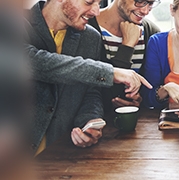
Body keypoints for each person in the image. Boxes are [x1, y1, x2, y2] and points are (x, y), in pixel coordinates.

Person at [25, 0, 152, 155]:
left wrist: (90, 121)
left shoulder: (90, 37)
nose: (96, 12)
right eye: (89, 2)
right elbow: (34, 62)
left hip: (61, 157)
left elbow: (90, 92)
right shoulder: (11, 23)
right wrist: (110, 72)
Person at [88, 0, 161, 110]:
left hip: (135, 121)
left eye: (150, 3)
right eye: (140, 1)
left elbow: (151, 88)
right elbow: (88, 90)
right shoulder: (85, 28)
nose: (145, 11)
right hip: (94, 121)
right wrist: (127, 46)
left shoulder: (151, 33)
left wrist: (141, 100)